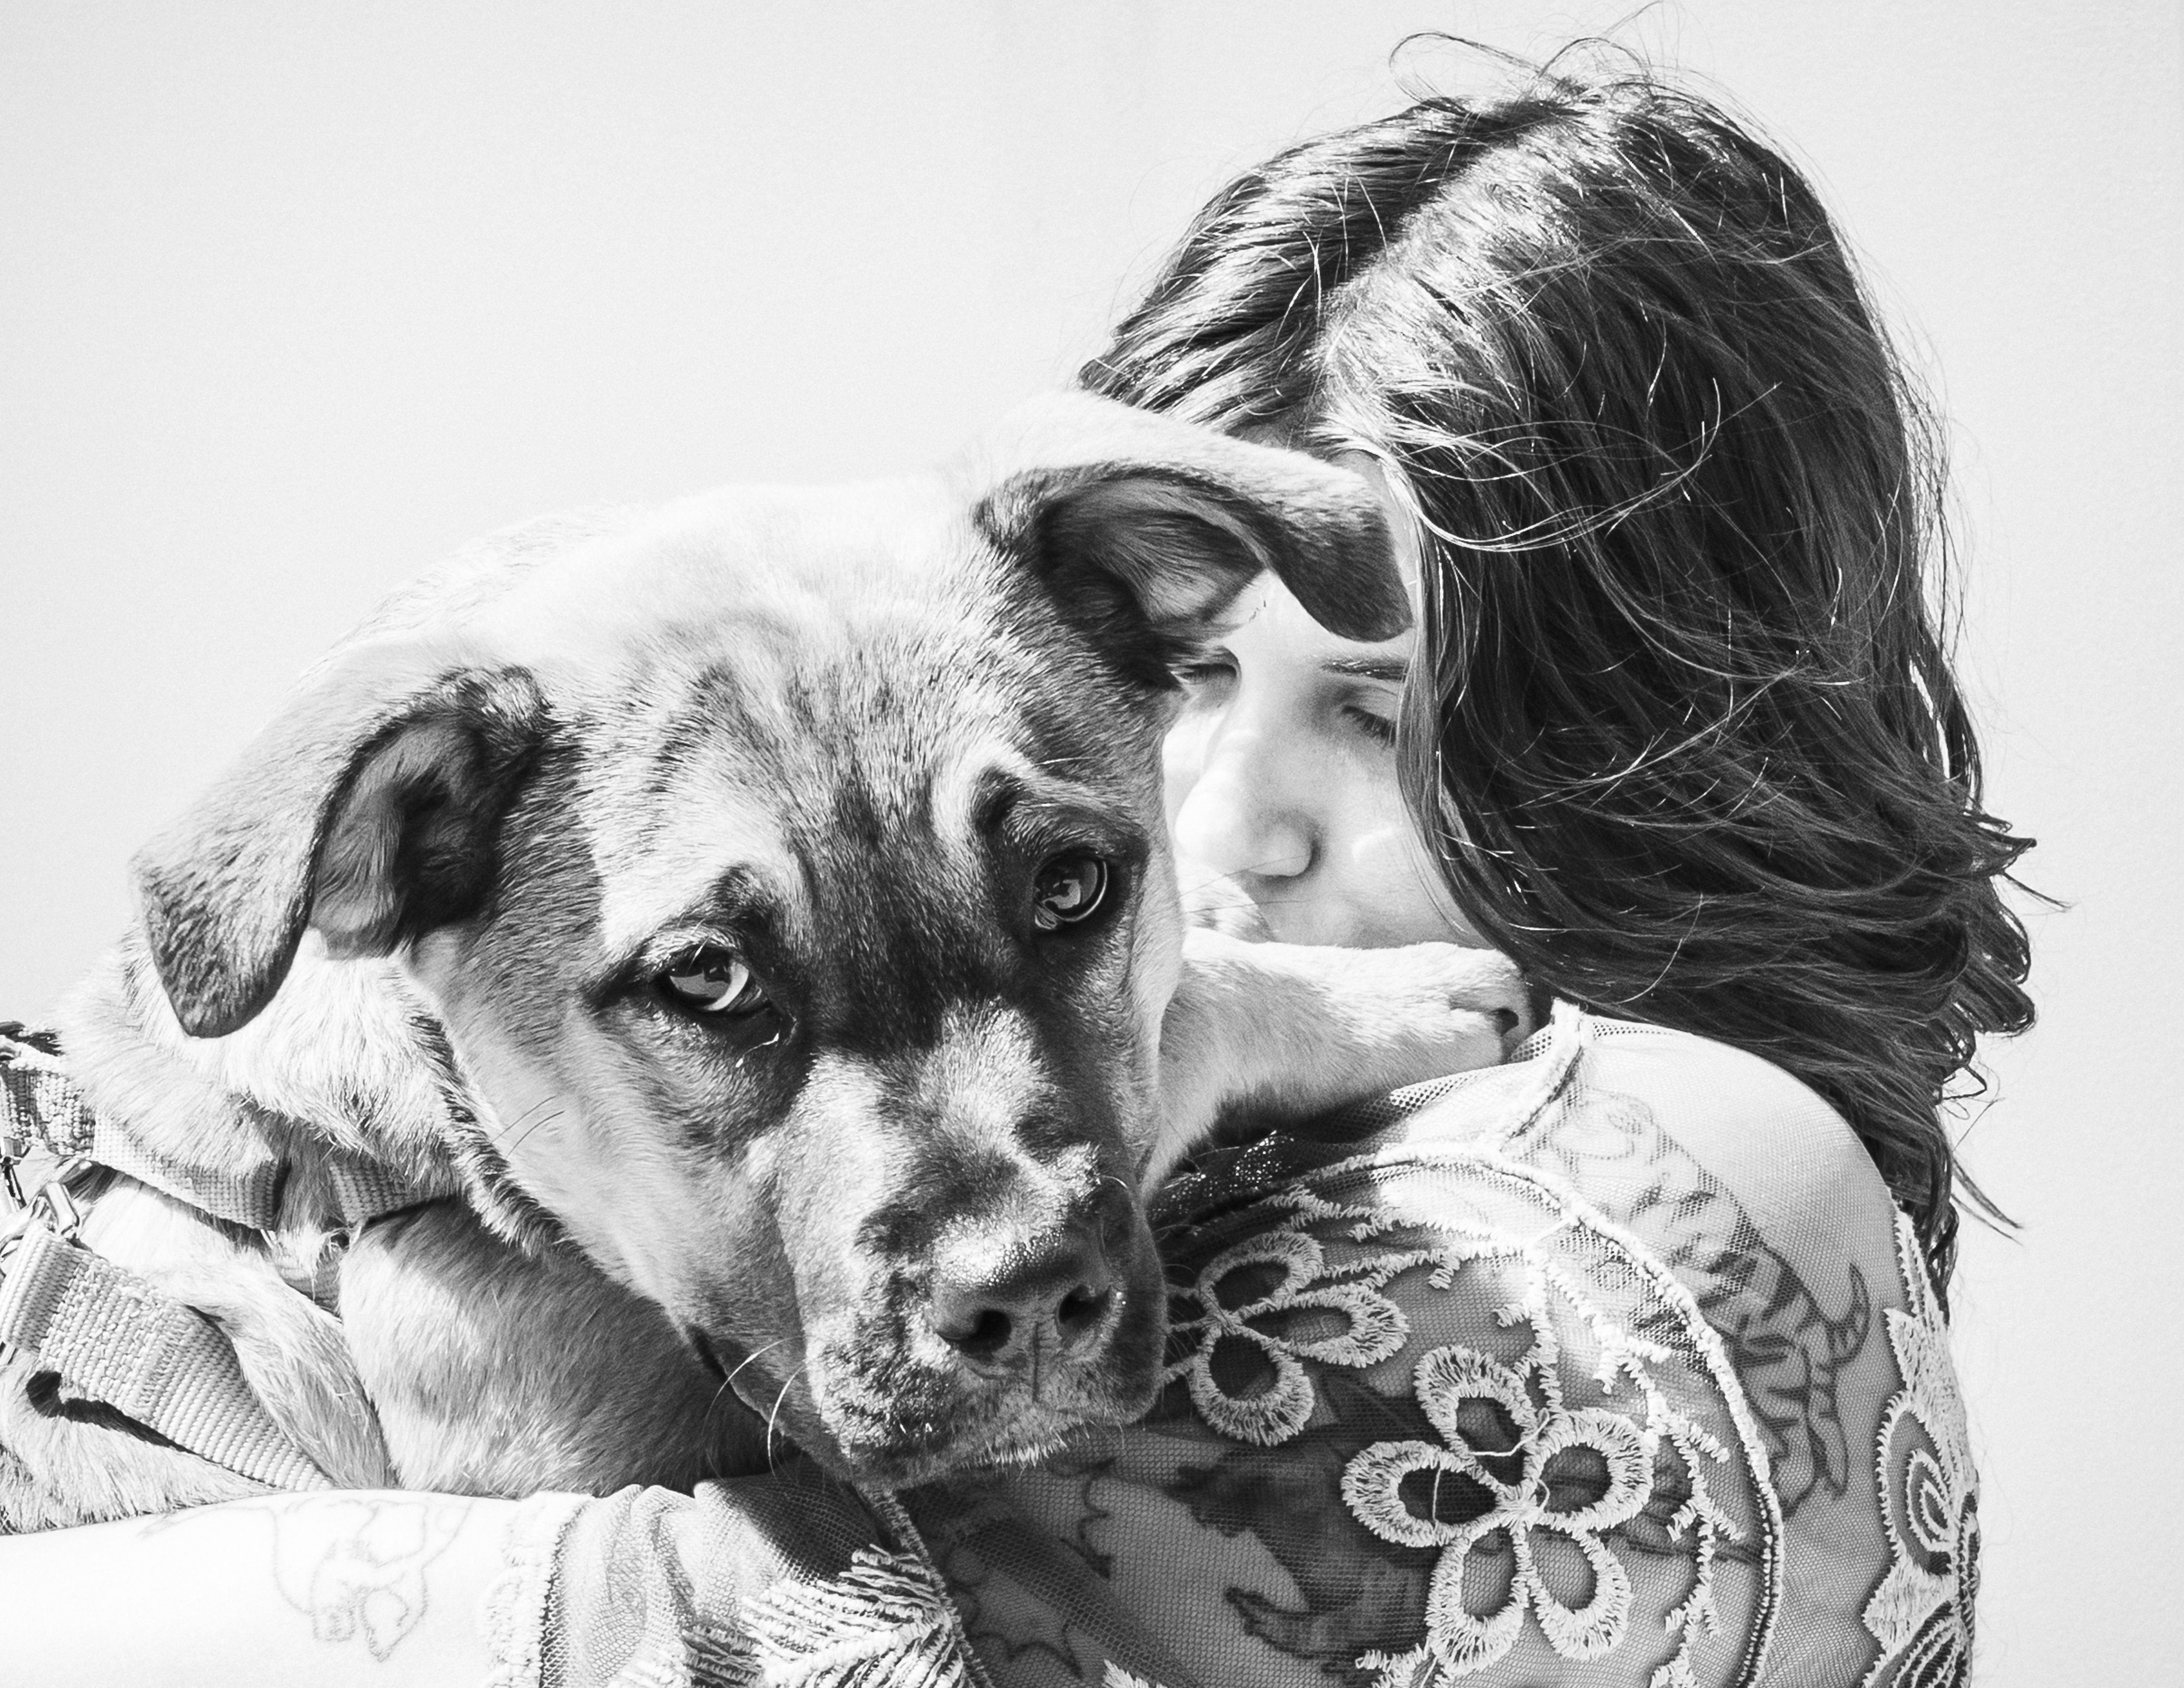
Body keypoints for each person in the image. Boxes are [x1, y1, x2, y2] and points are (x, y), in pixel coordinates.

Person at [0, 59, 2030, 1688]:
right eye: (1193, 677)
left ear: (1665, 742)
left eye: (1377, 709)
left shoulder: (1698, 1170)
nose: (1223, 826)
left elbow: (738, 1628)